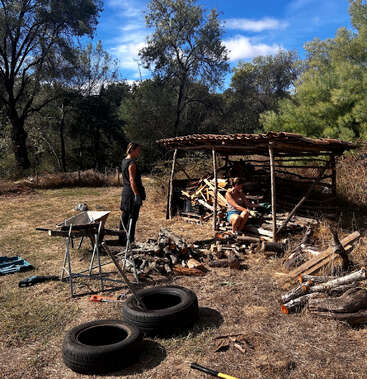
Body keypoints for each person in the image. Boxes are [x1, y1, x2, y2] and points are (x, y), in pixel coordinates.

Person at [120, 142, 146, 243]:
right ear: (132, 150)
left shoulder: (124, 161)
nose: (139, 153)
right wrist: (137, 194)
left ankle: (122, 239)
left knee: (125, 216)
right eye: (138, 150)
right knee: (132, 217)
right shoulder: (132, 163)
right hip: (131, 193)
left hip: (126, 192)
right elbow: (132, 180)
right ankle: (129, 241)